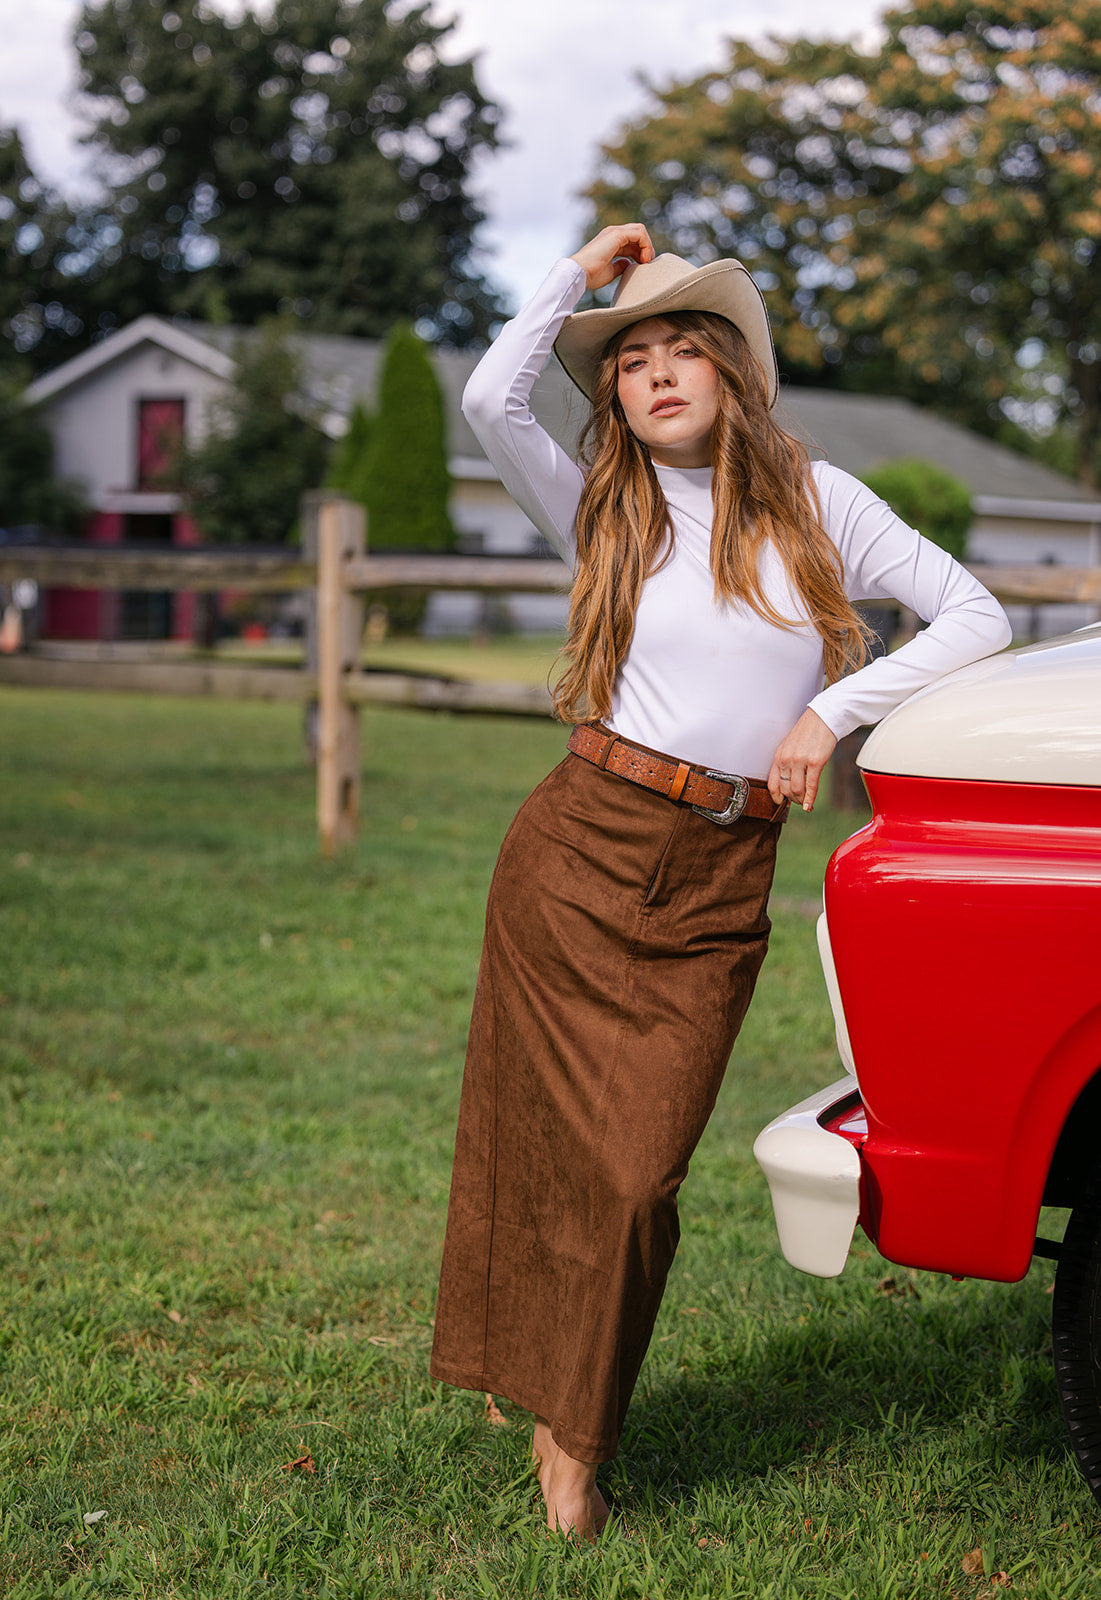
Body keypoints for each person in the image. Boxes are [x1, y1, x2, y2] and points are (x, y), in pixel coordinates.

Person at [429, 224, 1012, 1538]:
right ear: (615, 400)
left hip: (715, 878)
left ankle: (562, 1393)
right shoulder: (594, 497)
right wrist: (580, 271)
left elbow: (977, 612)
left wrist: (832, 715)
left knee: (637, 1176)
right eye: (627, 362)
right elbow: (487, 395)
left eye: (678, 346)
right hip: (578, 849)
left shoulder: (818, 499)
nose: (652, 375)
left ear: (729, 371)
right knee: (541, 1152)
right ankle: (568, 1444)